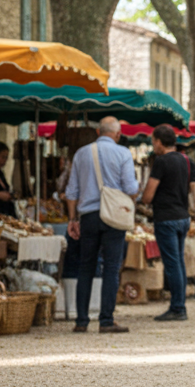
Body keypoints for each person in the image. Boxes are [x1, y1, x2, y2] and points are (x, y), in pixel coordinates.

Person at [65, 116, 137, 333]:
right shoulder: (123, 153)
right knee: (111, 267)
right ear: (118, 134)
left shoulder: (82, 153)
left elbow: (71, 191)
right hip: (113, 216)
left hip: (88, 216)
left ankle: (81, 320)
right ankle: (106, 320)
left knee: (86, 266)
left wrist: (72, 219)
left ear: (98, 132)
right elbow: (131, 188)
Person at [141, 125, 195, 321]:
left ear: (159, 142)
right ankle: (179, 304)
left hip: (166, 218)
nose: (152, 145)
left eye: (153, 141)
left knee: (172, 264)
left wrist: (144, 198)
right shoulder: (187, 161)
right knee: (178, 262)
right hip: (183, 215)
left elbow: (148, 195)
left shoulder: (161, 162)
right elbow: (192, 188)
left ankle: (178, 307)